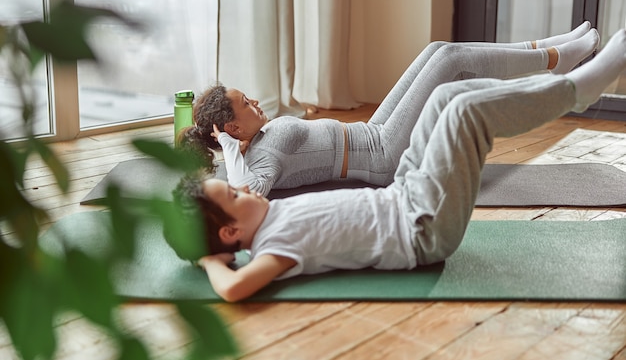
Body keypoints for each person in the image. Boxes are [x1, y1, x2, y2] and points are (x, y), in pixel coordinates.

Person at [171, 29, 626, 303]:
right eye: (233, 196)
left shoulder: (260, 203)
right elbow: (234, 288)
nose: (241, 189)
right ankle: (574, 89)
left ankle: (550, 66)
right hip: (422, 226)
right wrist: (212, 258)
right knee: (465, 111)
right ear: (232, 233)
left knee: (449, 95)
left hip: (400, 188)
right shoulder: (273, 245)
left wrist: (217, 153)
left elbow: (232, 178)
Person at [179, 24, 599, 197]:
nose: (255, 101)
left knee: (438, 51)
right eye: (246, 104)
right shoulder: (258, 159)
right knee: (450, 60)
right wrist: (230, 151)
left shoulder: (260, 139)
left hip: (374, 130)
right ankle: (553, 60)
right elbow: (250, 193)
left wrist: (228, 143)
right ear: (231, 127)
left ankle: (547, 51)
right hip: (382, 156)